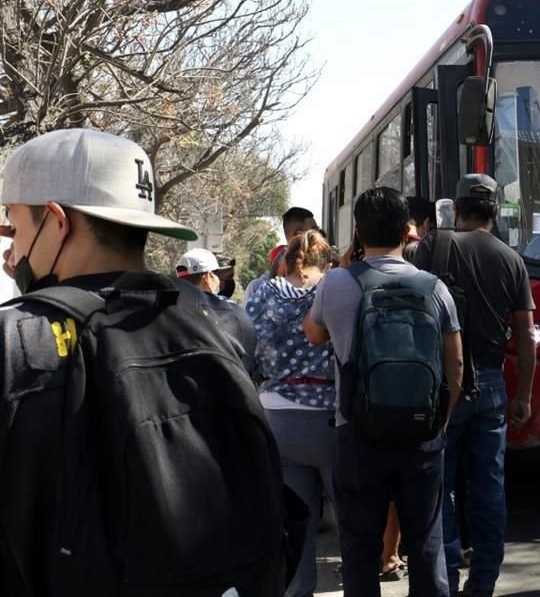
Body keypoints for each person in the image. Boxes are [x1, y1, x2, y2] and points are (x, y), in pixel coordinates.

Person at [0, 128, 291, 594]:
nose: (11, 252)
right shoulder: (217, 322)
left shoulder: (15, 337)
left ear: (57, 221)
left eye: (14, 225)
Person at [304, 187, 462, 597]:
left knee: (358, 549)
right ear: (407, 231)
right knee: (427, 546)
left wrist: (344, 265)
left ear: (357, 231)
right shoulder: (435, 288)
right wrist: (437, 425)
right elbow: (456, 368)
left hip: (357, 433)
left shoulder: (336, 284)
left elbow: (314, 334)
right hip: (421, 435)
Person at [413, 174, 537, 597]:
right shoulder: (511, 259)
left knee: (440, 486)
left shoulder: (435, 245)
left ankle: (446, 576)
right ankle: (483, 583)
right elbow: (525, 334)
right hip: (492, 384)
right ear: (495, 211)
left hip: (443, 385)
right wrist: (524, 395)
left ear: (458, 208)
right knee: (489, 488)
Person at [245, 230, 338, 597]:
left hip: (277, 418)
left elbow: (247, 351)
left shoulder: (260, 293)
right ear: (325, 262)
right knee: (352, 523)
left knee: (296, 525)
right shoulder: (333, 289)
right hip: (329, 416)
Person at [175, 247, 258, 378]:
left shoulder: (168, 310)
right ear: (208, 276)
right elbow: (246, 361)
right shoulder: (232, 313)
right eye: (219, 276)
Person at [245, 207, 320, 302]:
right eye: (314, 230)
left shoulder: (322, 278)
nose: (319, 235)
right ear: (298, 234)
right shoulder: (257, 288)